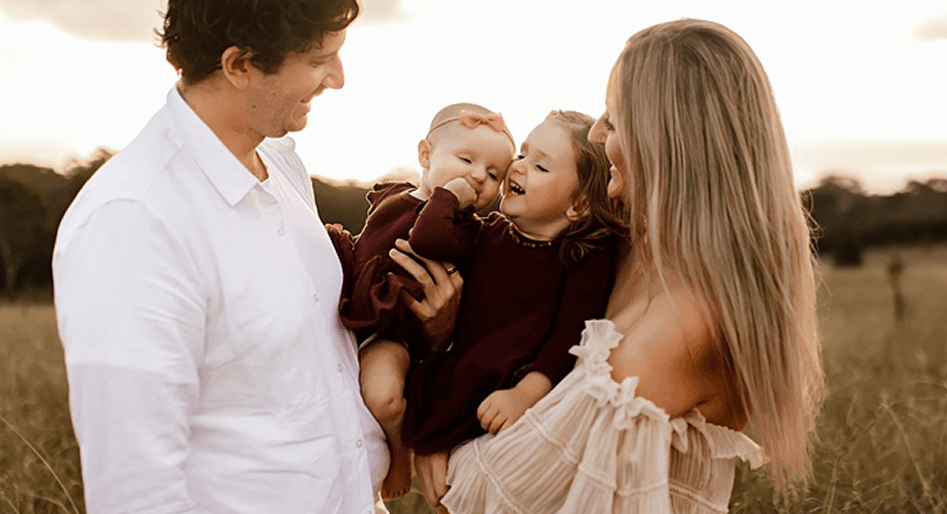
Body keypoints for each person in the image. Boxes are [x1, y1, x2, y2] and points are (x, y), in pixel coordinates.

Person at [52, 1, 461, 512]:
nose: (336, 77)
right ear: (239, 65)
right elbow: (136, 492)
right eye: (318, 59)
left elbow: (314, 356)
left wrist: (428, 334)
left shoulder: (279, 162)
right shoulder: (134, 220)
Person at [415, 19, 826, 513]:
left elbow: (509, 489)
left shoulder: (681, 326)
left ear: (665, 137)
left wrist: (432, 438)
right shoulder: (626, 248)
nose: (595, 131)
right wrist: (440, 343)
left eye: (614, 117)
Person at [397, 109, 625, 490]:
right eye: (521, 155)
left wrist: (526, 392)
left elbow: (571, 334)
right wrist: (449, 195)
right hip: (462, 378)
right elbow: (428, 238)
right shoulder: (486, 234)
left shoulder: (583, 258)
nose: (516, 169)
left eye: (540, 166)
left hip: (519, 387)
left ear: (580, 205)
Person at [325, 102, 515, 499]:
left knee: (383, 395)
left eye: (494, 174)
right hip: (355, 299)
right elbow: (371, 237)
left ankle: (399, 454)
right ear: (426, 154)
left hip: (391, 327)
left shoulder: (460, 227)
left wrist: (448, 196)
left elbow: (425, 238)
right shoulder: (396, 192)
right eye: (466, 159)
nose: (479, 176)